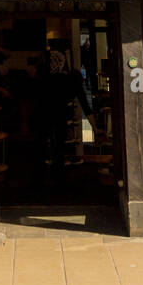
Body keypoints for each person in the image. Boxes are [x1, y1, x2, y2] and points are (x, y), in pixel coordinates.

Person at [33, 49, 101, 188]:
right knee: (59, 148)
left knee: (41, 149)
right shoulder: (71, 78)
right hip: (59, 116)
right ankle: (58, 181)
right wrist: (94, 127)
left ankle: (39, 182)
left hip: (42, 116)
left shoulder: (41, 76)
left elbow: (34, 97)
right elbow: (84, 103)